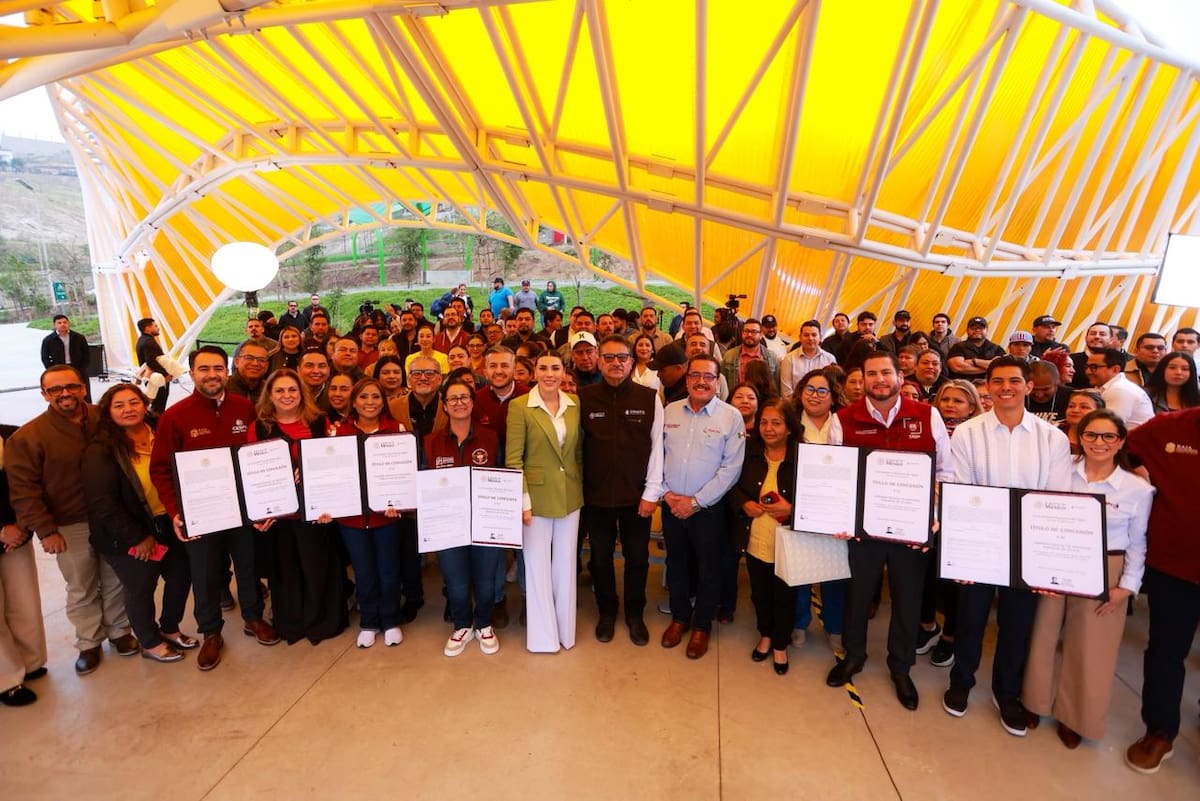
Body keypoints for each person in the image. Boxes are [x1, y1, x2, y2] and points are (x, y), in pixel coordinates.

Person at [943, 356, 1072, 736]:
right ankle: (961, 680)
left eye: (1014, 381)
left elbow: (1057, 497)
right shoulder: (967, 433)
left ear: (1028, 386)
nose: (1006, 388)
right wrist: (963, 554)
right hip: (981, 543)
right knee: (970, 617)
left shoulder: (1054, 439)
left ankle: (1007, 691)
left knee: (1017, 623)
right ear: (988, 387)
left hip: (1028, 546)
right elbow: (960, 490)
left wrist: (1046, 557)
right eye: (997, 381)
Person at [825, 351, 954, 711]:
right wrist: (838, 516)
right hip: (863, 529)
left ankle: (901, 667)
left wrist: (935, 513)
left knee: (907, 600)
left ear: (900, 376)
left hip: (911, 529)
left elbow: (946, 470)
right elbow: (837, 474)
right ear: (862, 380)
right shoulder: (843, 419)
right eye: (871, 374)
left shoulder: (927, 415)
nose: (879, 379)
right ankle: (853, 656)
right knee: (858, 595)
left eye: (886, 372)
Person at [1023, 409, 1152, 749]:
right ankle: (1035, 703)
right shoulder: (1059, 473)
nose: (1099, 442)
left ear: (1121, 441)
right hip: (1056, 558)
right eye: (1091, 435)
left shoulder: (1136, 489)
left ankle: (1075, 717)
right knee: (1043, 633)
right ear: (1080, 438)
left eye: (1108, 436)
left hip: (1106, 568)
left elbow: (1138, 543)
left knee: (1093, 647)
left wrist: (1126, 587)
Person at [149, 346, 278, 672]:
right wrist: (176, 510)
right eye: (204, 369)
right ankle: (210, 632)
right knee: (204, 573)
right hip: (201, 511)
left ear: (227, 372)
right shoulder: (174, 416)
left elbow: (258, 455)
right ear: (191, 374)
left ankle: (253, 618)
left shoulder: (244, 407)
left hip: (242, 507)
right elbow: (160, 469)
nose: (212, 375)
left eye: (218, 368)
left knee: (247, 565)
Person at [7, 365, 133, 675]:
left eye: (72, 387)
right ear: (44, 394)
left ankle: (120, 632)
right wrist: (46, 531)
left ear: (83, 387)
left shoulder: (103, 417)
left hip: (112, 516)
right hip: (68, 524)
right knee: (81, 586)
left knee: (116, 579)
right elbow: (23, 491)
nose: (65, 394)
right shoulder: (28, 437)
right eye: (55, 390)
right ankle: (89, 643)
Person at [82, 384, 195, 664]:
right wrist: (136, 537)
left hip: (168, 521)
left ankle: (170, 627)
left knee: (181, 576)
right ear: (108, 412)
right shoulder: (101, 450)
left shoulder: (161, 432)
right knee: (141, 587)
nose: (128, 409)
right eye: (119, 405)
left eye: (134, 402)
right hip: (129, 533)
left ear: (145, 404)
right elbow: (103, 504)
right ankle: (149, 641)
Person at [1122, 403, 1200, 774]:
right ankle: (1160, 731)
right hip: (1174, 568)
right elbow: (1121, 446)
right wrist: (1139, 477)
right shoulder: (1169, 427)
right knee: (1166, 652)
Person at [248, 370, 347, 645]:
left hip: (315, 510)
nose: (287, 396)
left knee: (318, 567)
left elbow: (334, 461)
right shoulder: (259, 427)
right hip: (280, 514)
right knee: (286, 571)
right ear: (270, 395)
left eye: (292, 390)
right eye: (279, 391)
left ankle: (322, 621)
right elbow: (251, 472)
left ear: (301, 392)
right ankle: (292, 623)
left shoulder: (318, 422)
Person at [657, 355, 746, 660]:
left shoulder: (730, 417)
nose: (701, 381)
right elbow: (656, 458)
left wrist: (695, 502)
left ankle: (702, 626)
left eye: (708, 376)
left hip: (707, 510)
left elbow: (731, 469)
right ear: (686, 379)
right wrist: (668, 496)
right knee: (677, 564)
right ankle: (680, 618)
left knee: (710, 569)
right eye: (695, 375)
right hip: (671, 505)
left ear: (718, 381)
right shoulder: (669, 411)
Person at [579, 336, 664, 645]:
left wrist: (651, 493)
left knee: (637, 559)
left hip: (636, 497)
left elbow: (658, 448)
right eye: (609, 357)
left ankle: (634, 613)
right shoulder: (584, 398)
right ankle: (606, 611)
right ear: (599, 361)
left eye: (622, 357)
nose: (616, 363)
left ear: (632, 362)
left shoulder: (649, 397)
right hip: (596, 497)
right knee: (600, 559)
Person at [506, 351, 583, 653]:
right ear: (534, 372)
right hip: (534, 499)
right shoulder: (520, 407)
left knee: (565, 565)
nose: (549, 373)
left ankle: (566, 632)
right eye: (543, 368)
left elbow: (577, 454)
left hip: (570, 495)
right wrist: (522, 500)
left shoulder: (574, 405)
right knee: (537, 566)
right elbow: (514, 459)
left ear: (564, 371)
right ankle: (543, 638)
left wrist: (580, 491)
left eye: (555, 367)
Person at [424, 377, 503, 656]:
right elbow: (424, 486)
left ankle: (483, 623)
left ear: (473, 403)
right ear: (444, 406)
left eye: (464, 398)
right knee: (455, 582)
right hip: (449, 526)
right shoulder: (431, 442)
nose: (459, 403)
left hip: (485, 522)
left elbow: (503, 477)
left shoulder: (491, 437)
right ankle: (462, 625)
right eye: (452, 399)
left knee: (486, 580)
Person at [331, 378, 407, 648]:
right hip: (352, 519)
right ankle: (369, 621)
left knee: (388, 570)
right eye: (363, 397)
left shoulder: (395, 429)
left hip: (387, 516)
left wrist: (401, 500)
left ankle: (390, 620)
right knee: (363, 571)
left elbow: (404, 474)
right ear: (354, 402)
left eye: (376, 397)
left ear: (383, 401)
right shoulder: (338, 433)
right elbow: (331, 474)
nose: (370, 402)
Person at [730, 399, 799, 675]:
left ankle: (780, 643)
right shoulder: (748, 451)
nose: (768, 429)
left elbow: (819, 498)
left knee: (785, 594)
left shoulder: (802, 457)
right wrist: (743, 503)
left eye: (776, 423)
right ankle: (766, 634)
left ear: (790, 428)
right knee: (760, 592)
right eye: (764, 422)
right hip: (756, 537)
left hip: (789, 542)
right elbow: (731, 484)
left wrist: (791, 509)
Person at [790, 369, 847, 652]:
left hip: (836, 508)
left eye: (822, 390)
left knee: (834, 571)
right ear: (800, 392)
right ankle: (799, 623)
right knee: (801, 570)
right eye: (809, 389)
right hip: (800, 507)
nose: (815, 395)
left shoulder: (843, 423)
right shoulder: (790, 423)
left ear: (833, 395)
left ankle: (835, 625)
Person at [0, 435, 49, 706]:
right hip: (5, 532)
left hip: (17, 534)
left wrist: (22, 525)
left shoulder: (13, 436)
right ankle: (7, 679)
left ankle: (31, 662)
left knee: (25, 601)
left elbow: (31, 483)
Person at [1085, 347, 1153, 428]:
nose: (1088, 372)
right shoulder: (1114, 387)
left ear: (1115, 369)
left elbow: (1107, 427)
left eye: (1094, 367)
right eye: (1087, 367)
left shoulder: (1119, 390)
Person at [779, 320, 836, 399]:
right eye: (806, 335)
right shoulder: (789, 359)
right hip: (795, 406)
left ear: (820, 337)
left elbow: (833, 388)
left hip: (822, 405)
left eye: (814, 335)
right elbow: (786, 392)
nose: (810, 338)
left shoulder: (830, 359)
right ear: (800, 337)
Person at [40, 314, 91, 400]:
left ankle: (87, 410)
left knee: (83, 392)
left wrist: (83, 368)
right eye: (59, 323)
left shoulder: (79, 337)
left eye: (65, 322)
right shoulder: (48, 340)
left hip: (78, 368)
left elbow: (87, 354)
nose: (63, 324)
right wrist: (52, 369)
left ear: (68, 323)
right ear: (54, 325)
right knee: (62, 392)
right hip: (59, 369)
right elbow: (45, 357)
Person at [721, 318, 779, 392]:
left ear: (761, 335)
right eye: (746, 331)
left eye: (754, 332)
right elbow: (722, 384)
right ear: (742, 333)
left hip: (761, 402)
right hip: (734, 400)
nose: (749, 334)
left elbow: (776, 388)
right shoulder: (730, 355)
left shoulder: (772, 358)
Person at [135, 317, 171, 413]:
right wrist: (165, 374)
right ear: (147, 328)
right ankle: (156, 425)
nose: (158, 328)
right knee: (158, 405)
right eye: (155, 326)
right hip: (156, 377)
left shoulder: (142, 340)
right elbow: (151, 362)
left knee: (157, 403)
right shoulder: (148, 342)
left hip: (152, 377)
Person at [1069, 322, 1119, 389]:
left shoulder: (1116, 363)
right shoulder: (1070, 360)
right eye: (1093, 334)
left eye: (1102, 334)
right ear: (1086, 338)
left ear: (1111, 339)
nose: (1097, 337)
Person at [1025, 360, 1070, 425]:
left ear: (1057, 384)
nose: (1039, 395)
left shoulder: (1071, 397)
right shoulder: (1017, 397)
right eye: (1033, 389)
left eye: (1045, 389)